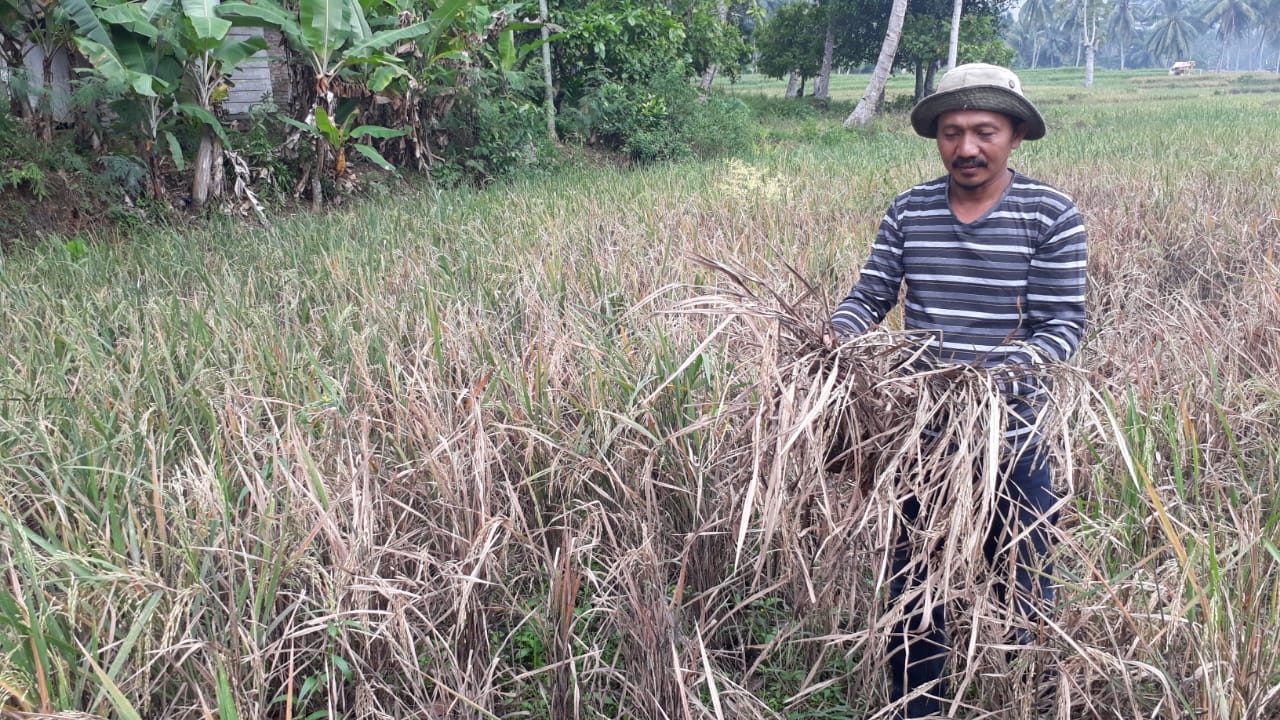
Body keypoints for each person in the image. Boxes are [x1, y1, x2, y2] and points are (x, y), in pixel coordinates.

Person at [829, 63, 1087, 717]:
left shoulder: (1050, 214)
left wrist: (989, 378)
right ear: (936, 138)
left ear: (1017, 134)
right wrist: (833, 341)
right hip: (922, 439)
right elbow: (871, 296)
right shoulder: (910, 210)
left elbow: (1062, 325)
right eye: (952, 132)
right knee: (914, 599)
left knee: (1028, 596)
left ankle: (1024, 701)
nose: (966, 148)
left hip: (1014, 436)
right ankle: (918, 708)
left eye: (984, 131)